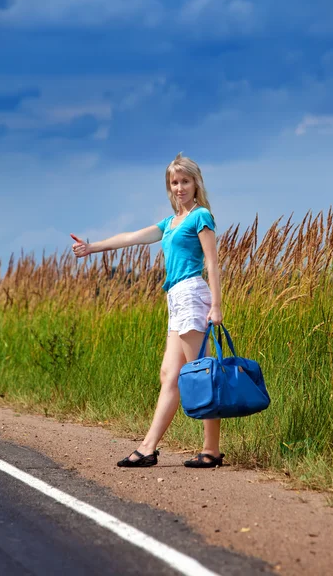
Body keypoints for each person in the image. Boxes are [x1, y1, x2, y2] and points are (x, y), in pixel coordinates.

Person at [71, 153, 224, 468]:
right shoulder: (170, 223)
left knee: (201, 375)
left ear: (196, 183)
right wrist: (91, 247)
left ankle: (211, 449)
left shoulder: (201, 216)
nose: (180, 187)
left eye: (185, 181)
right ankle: (149, 448)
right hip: (176, 300)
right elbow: (131, 238)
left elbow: (212, 262)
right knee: (170, 374)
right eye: (174, 182)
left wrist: (217, 305)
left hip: (194, 294)